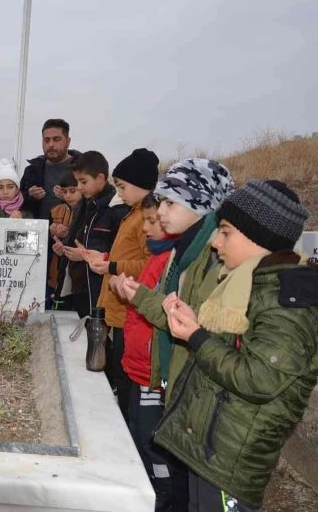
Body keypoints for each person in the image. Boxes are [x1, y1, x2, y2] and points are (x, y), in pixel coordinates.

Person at [155, 180, 318, 511]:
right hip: (214, 451)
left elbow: (259, 379)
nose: (215, 242)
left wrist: (197, 337)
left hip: (232, 462)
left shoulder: (290, 299)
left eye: (226, 232)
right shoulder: (251, 285)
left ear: (261, 237)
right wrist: (196, 326)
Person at [118, 157, 234, 511]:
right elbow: (174, 312)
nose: (161, 211)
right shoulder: (183, 249)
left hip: (199, 394)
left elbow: (195, 326)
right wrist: (140, 296)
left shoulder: (212, 256)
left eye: (171, 202)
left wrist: (143, 298)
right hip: (179, 385)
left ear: (199, 202)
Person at [109, 193, 175, 511]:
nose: (146, 228)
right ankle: (147, 486)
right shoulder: (154, 256)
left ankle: (163, 493)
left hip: (152, 370)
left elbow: (159, 312)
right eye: (146, 220)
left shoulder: (170, 262)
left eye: (152, 221)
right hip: (138, 366)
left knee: (151, 438)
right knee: (136, 427)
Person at [87, 148, 160, 421]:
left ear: (140, 184)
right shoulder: (132, 214)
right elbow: (127, 256)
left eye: (123, 187)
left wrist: (112, 266)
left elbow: (149, 264)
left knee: (125, 376)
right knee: (119, 372)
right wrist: (105, 259)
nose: (120, 194)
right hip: (120, 309)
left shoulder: (146, 217)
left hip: (131, 308)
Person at [52, 151, 127, 317]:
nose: (79, 187)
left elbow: (122, 255)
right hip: (79, 288)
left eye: (83, 181)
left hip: (100, 292)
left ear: (100, 178)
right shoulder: (84, 205)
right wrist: (65, 249)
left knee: (98, 341)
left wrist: (86, 256)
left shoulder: (117, 209)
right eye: (77, 181)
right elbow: (78, 239)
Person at [20, 118, 82, 220]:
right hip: (36, 233)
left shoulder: (81, 168)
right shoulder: (31, 170)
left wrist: (68, 198)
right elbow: (15, 201)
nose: (51, 144)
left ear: (68, 141)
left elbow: (92, 202)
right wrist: (28, 195)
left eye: (56, 139)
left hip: (71, 233)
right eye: (46, 140)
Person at [46, 173, 80, 309]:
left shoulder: (86, 211)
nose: (68, 196)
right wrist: (50, 233)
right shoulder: (55, 211)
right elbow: (47, 245)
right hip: (55, 273)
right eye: (64, 192)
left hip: (75, 276)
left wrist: (67, 236)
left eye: (72, 191)